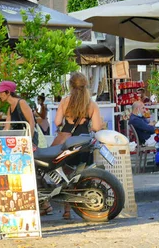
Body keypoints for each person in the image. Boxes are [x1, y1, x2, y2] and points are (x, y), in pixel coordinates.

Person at [54, 72, 104, 219]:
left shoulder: (64, 101)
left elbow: (57, 122)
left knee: (66, 175)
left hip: (67, 142)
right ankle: (86, 205)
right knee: (83, 174)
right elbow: (96, 127)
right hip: (83, 142)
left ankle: (67, 210)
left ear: (70, 85)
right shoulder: (91, 104)